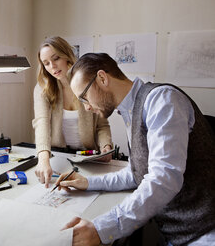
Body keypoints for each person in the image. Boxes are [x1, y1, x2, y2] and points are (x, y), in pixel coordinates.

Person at [56, 53, 215, 246]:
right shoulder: (130, 111)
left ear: (102, 78)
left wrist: (101, 228)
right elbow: (136, 174)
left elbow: (163, 179)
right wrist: (88, 183)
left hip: (203, 231)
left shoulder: (162, 100)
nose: (86, 108)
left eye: (84, 97)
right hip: (175, 231)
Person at [32, 37, 113, 188]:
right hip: (58, 156)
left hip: (88, 158)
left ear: (67, 55)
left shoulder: (87, 82)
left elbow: (102, 125)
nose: (52, 66)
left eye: (56, 58)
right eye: (46, 63)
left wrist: (106, 146)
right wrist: (43, 160)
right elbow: (41, 123)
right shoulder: (43, 88)